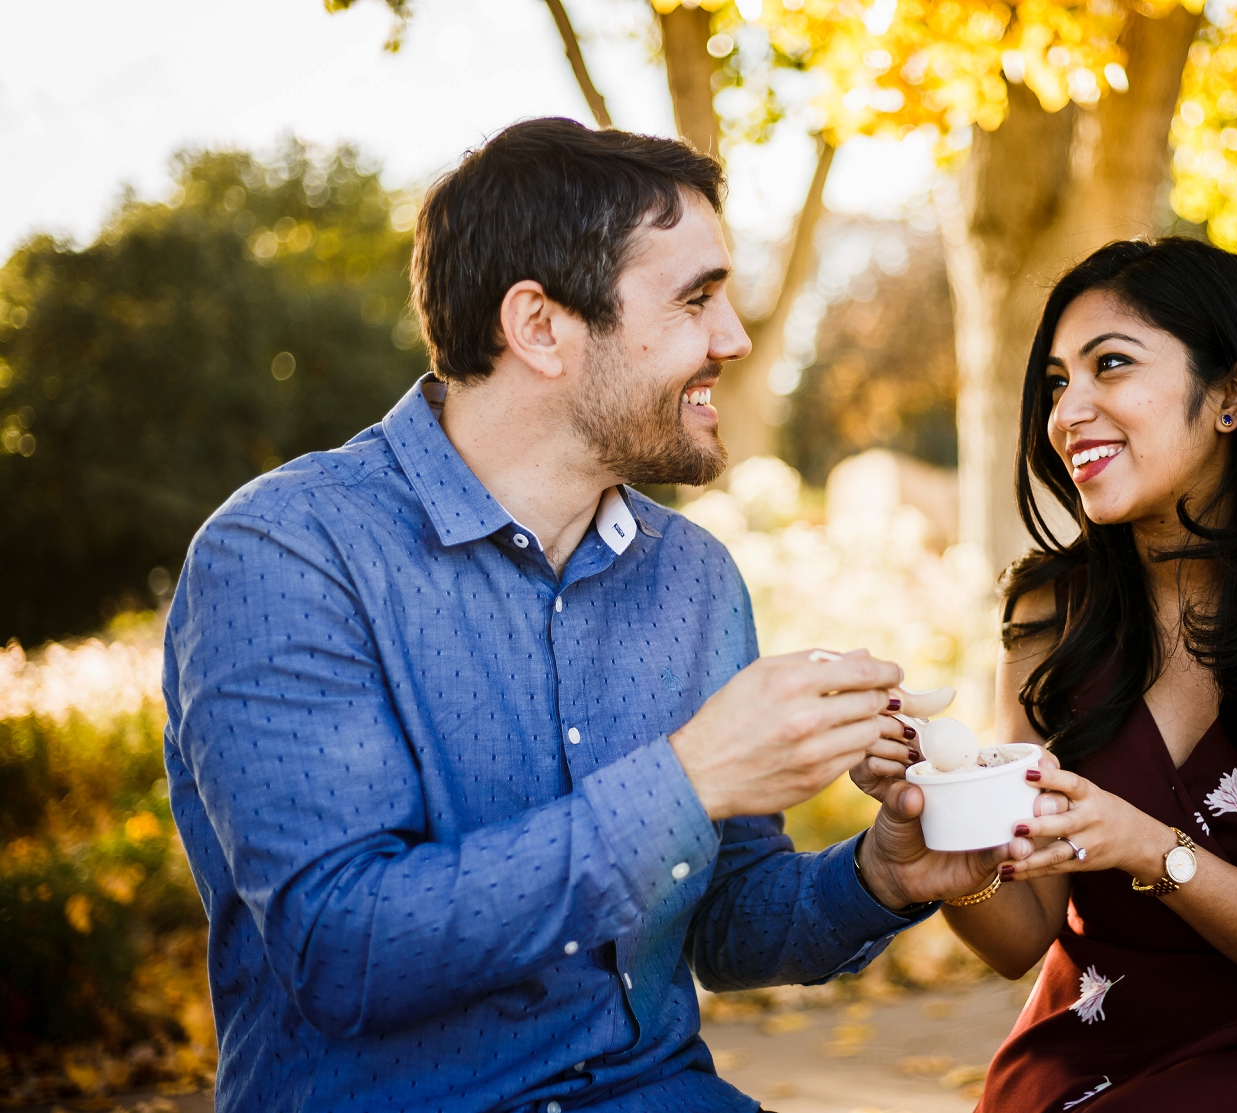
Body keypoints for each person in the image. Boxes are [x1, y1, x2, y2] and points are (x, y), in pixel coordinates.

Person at [161, 118, 998, 1113]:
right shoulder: (287, 555)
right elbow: (349, 952)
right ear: (541, 328)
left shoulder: (691, 578)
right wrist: (691, 777)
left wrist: (883, 874)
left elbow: (724, 928)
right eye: (695, 299)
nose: (732, 338)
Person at [922, 239, 1237, 1111]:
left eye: (1110, 366)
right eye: (1056, 383)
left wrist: (1150, 846)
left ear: (1232, 394)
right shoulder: (1048, 612)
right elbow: (1019, 934)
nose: (1066, 411)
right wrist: (937, 831)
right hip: (1079, 1056)